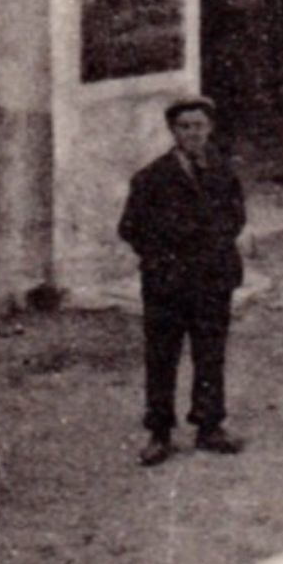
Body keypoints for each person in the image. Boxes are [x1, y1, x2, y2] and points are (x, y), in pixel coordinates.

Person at [118, 97, 248, 467]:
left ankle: (210, 426)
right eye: (185, 127)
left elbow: (236, 217)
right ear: (173, 132)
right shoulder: (151, 177)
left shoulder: (223, 172)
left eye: (200, 126)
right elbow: (130, 228)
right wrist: (165, 257)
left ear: (210, 129)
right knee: (162, 357)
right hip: (167, 284)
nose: (193, 133)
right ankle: (159, 433)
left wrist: (212, 245)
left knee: (211, 353)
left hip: (212, 280)